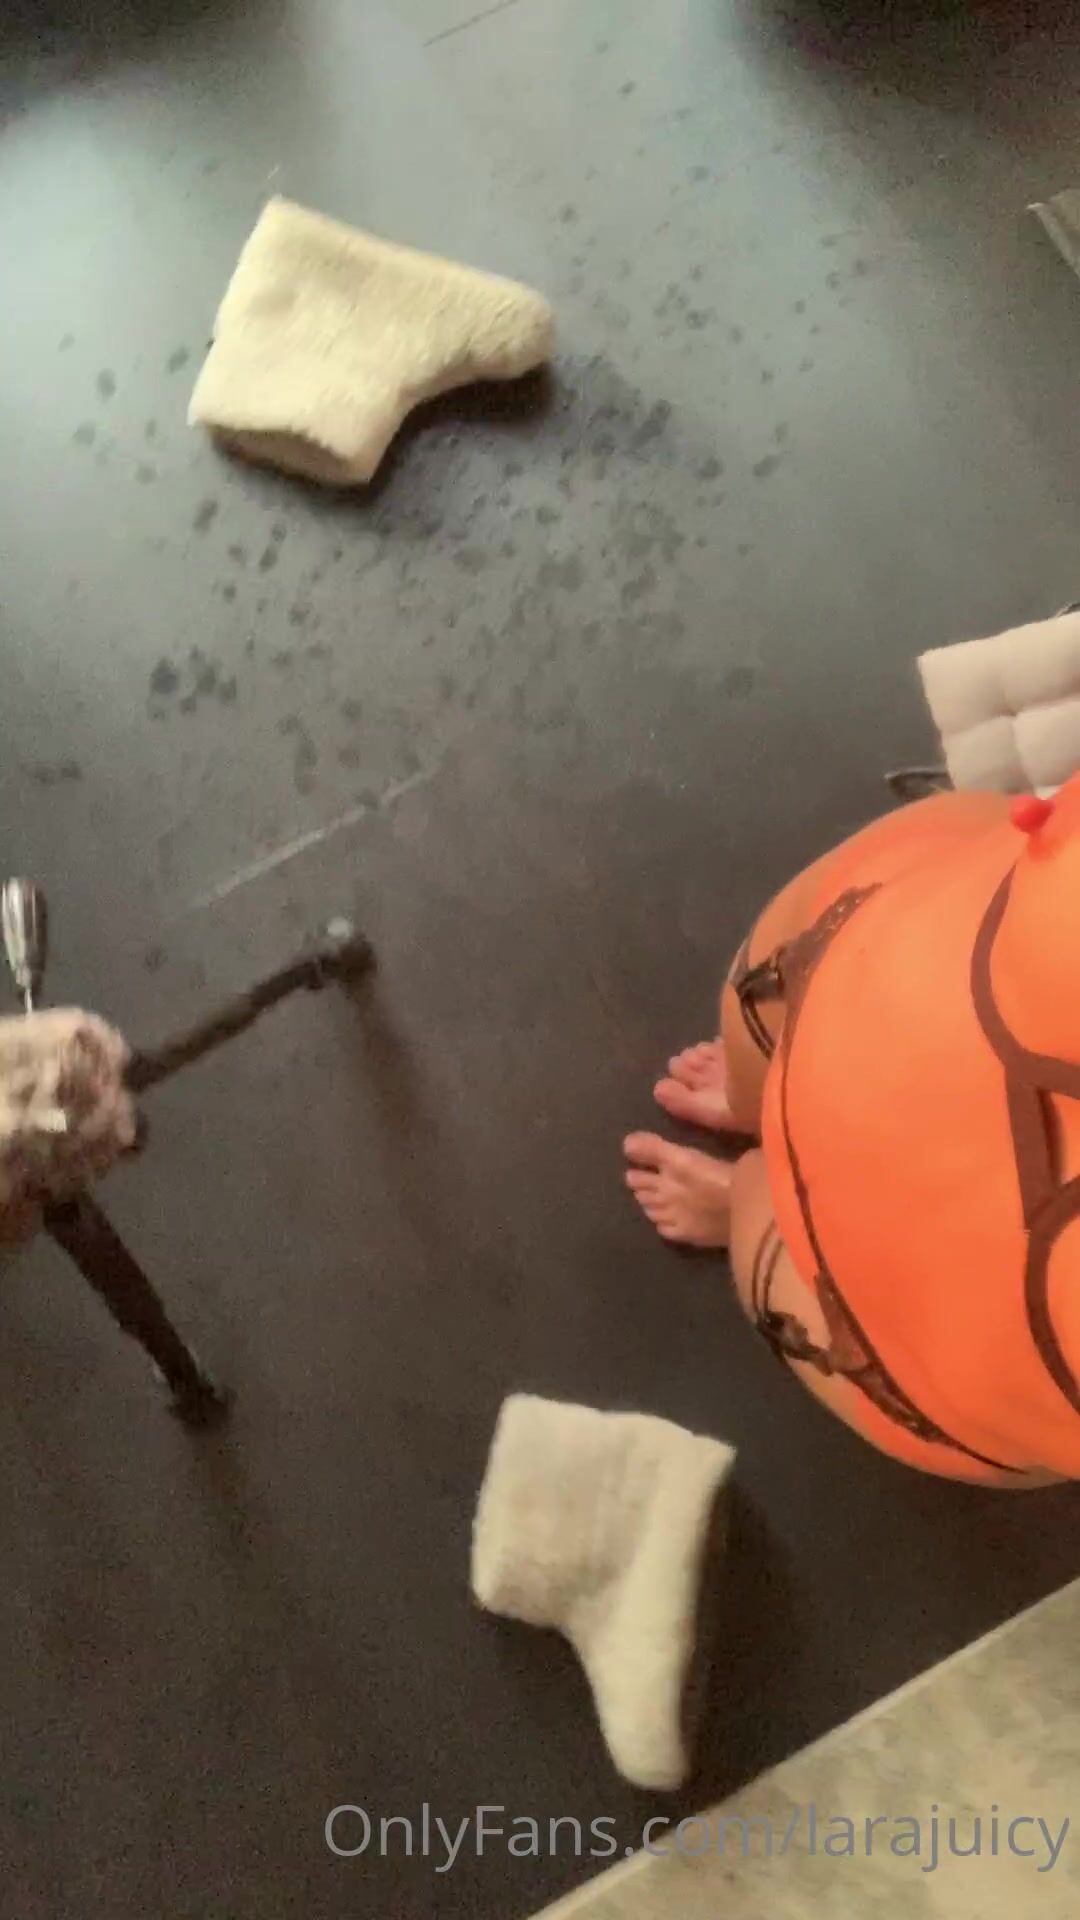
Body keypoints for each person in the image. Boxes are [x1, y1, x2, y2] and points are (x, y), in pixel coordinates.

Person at [624, 783, 1080, 1486]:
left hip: (903, 1329)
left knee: (761, 1201)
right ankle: (757, 1127)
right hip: (874, 944)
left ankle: (749, 1181)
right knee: (770, 1015)